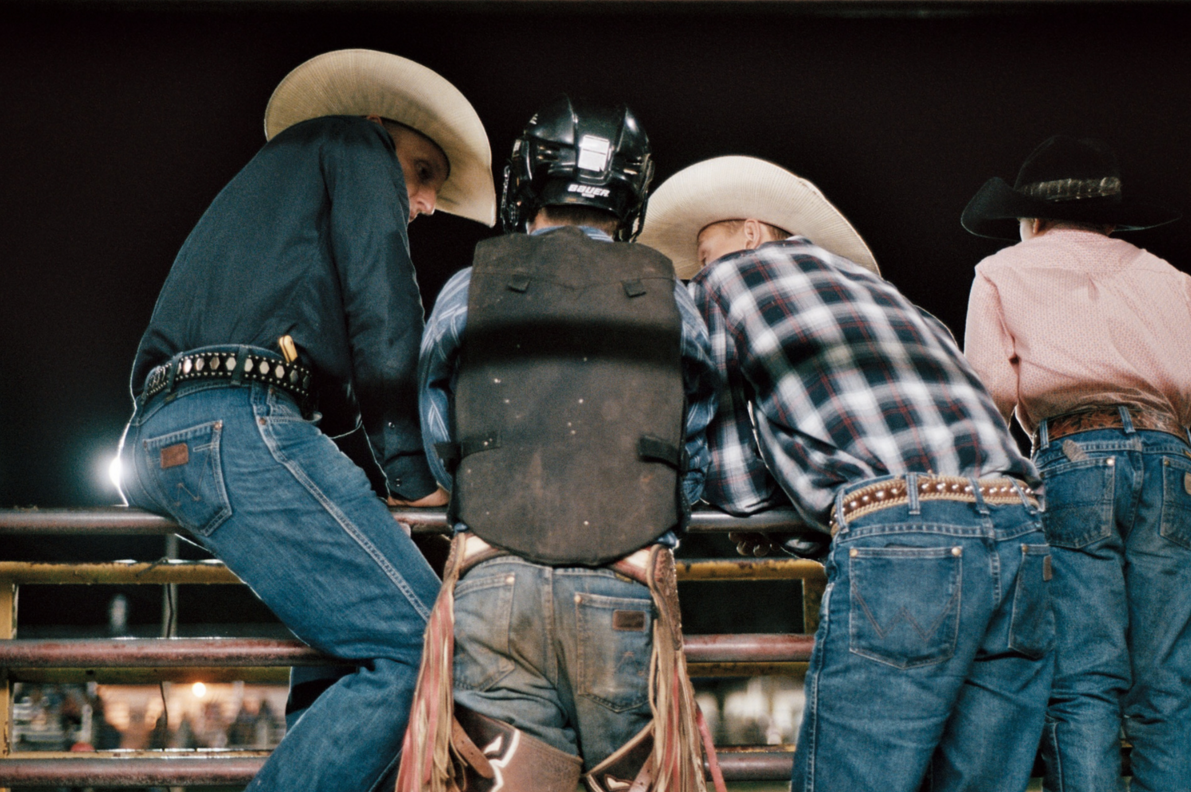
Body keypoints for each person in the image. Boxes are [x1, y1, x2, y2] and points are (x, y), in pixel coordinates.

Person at [115, 49, 496, 792]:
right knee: (423, 648)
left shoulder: (263, 201)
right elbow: (383, 313)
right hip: (239, 420)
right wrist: (414, 477)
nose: (423, 203)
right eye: (422, 174)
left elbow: (321, 366)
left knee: (349, 646)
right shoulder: (356, 144)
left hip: (175, 430)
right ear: (385, 129)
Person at [638, 155, 1054, 792]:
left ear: (752, 233)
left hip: (905, 536)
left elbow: (726, 458)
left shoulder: (728, 282)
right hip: (1020, 526)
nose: (699, 264)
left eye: (705, 245)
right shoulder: (893, 299)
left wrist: (778, 528)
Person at [396, 96, 720, 792]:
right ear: (631, 192)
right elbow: (695, 435)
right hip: (624, 584)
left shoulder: (469, 286)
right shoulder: (671, 294)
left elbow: (434, 421)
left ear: (525, 183)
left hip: (492, 581)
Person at [961, 135, 1190, 792]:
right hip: (1172, 457)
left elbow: (993, 393)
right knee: (1171, 682)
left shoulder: (1004, 270)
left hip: (1076, 456)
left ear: (1031, 220)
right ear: (1114, 218)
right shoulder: (1172, 279)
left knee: (1086, 679)